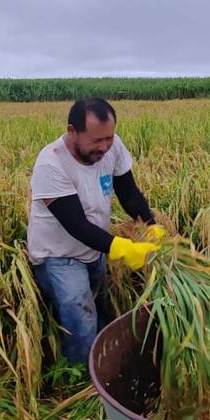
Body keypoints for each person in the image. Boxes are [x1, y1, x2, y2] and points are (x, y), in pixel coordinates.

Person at [26, 97, 164, 364]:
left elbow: (129, 193)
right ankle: (82, 382)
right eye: (96, 141)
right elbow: (75, 224)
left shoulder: (112, 147)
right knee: (81, 320)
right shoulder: (51, 164)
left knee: (99, 310)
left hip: (94, 249)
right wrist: (123, 248)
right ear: (72, 131)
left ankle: (102, 363)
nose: (104, 147)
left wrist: (151, 225)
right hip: (59, 256)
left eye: (108, 138)